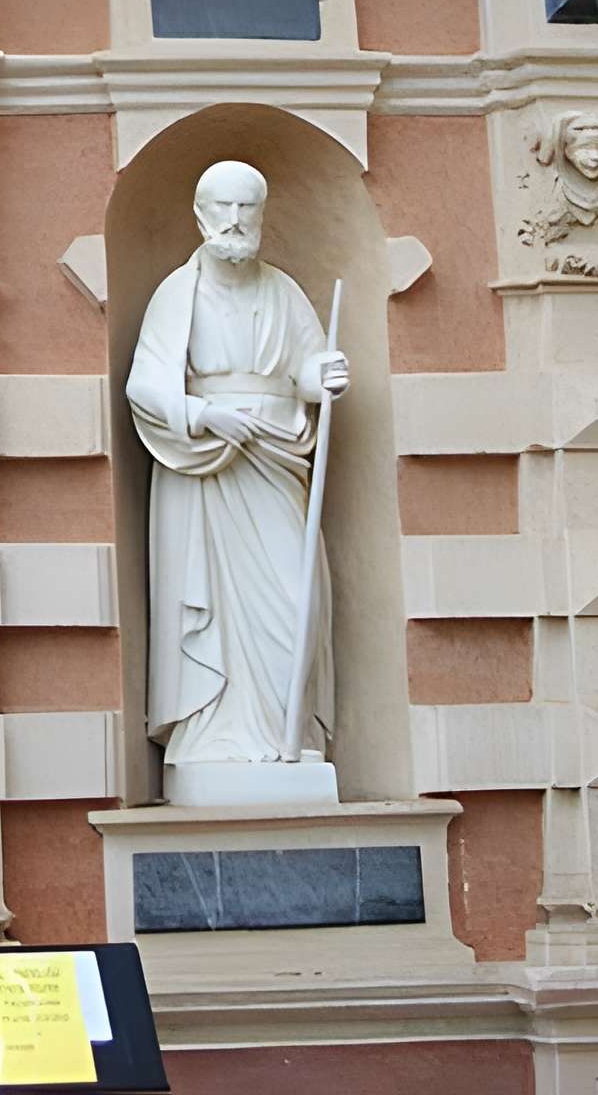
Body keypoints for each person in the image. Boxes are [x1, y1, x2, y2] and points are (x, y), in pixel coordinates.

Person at [123, 160, 348, 790]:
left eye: (247, 208)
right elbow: (145, 385)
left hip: (274, 463)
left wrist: (321, 376)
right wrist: (205, 414)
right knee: (213, 607)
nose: (235, 221)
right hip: (204, 470)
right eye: (223, 207)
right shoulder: (178, 292)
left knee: (293, 600)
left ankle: (286, 735)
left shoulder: (282, 290)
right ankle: (215, 735)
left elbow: (303, 368)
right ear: (199, 215)